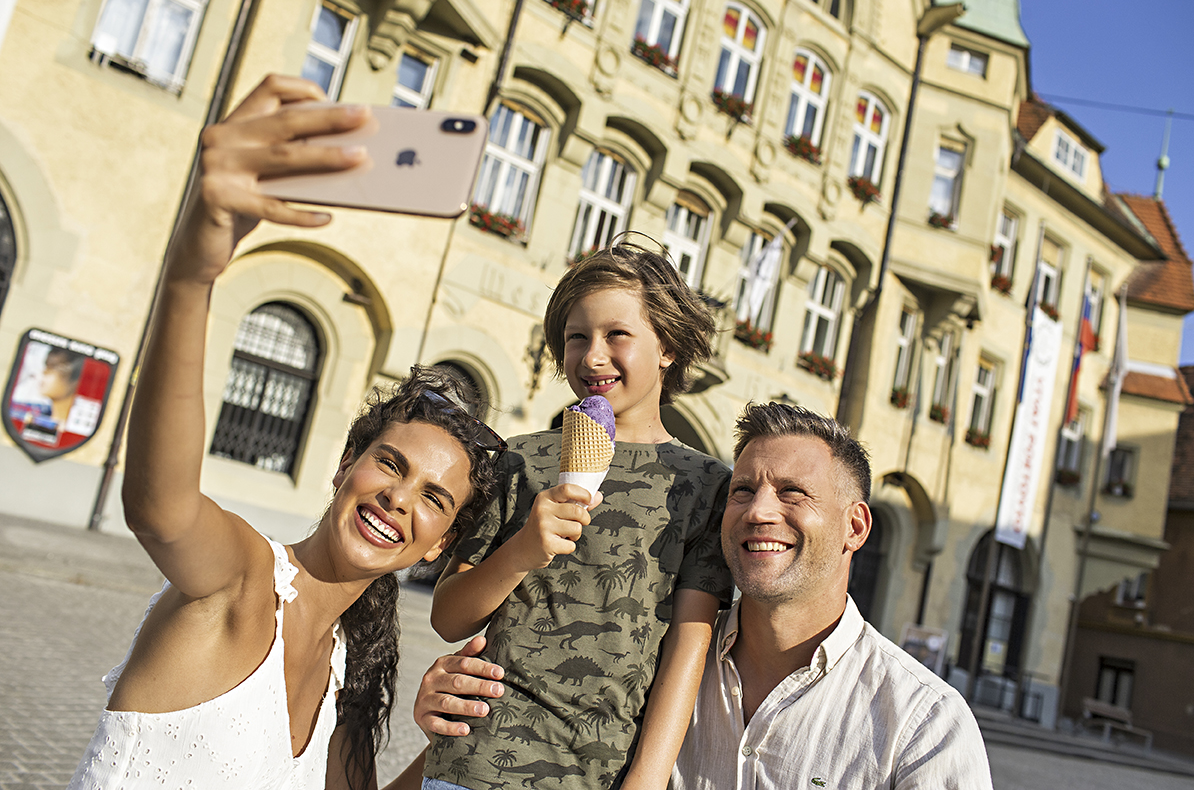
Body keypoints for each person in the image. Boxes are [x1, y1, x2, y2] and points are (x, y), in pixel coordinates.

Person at [68, 75, 503, 790]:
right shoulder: (242, 583)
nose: (399, 498)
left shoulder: (347, 672)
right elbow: (162, 508)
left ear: (442, 544)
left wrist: (449, 736)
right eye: (389, 464)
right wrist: (194, 272)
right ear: (344, 467)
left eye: (434, 498)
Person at [414, 402, 994, 789]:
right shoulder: (659, 658)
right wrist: (446, 711)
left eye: (793, 493)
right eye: (743, 490)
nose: (760, 511)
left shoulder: (922, 726)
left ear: (856, 527)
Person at [417, 241, 733, 790]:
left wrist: (649, 777)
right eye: (576, 337)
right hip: (477, 758)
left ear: (668, 347)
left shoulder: (705, 487)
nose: (592, 356)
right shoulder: (523, 456)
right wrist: (522, 551)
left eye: (617, 335)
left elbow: (690, 643)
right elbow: (449, 618)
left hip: (600, 776)